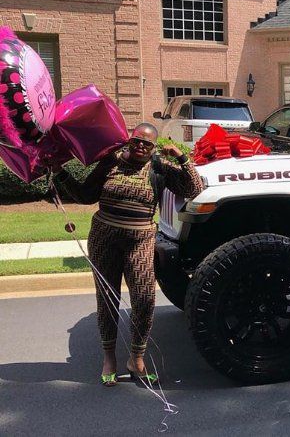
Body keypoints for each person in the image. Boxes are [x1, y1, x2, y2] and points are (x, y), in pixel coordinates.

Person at [53, 123, 204, 386]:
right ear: (129, 140)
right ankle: (109, 356)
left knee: (144, 298)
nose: (140, 146)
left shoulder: (159, 168)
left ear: (153, 147)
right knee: (108, 297)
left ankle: (136, 357)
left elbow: (193, 190)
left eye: (147, 143)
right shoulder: (111, 162)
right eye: (136, 141)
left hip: (141, 239)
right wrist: (60, 174)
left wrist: (181, 157)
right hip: (104, 238)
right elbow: (85, 194)